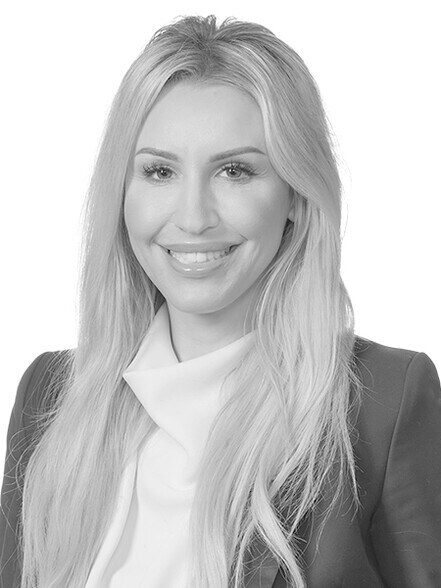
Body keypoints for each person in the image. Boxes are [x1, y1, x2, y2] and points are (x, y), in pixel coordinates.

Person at [1, 14, 440, 588]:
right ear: (122, 192)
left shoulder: (384, 401)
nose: (192, 217)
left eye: (235, 170)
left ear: (296, 196)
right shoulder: (52, 398)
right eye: (159, 170)